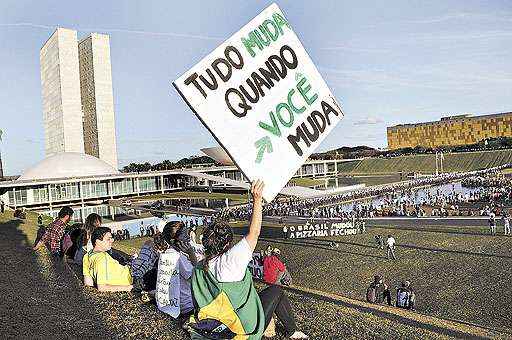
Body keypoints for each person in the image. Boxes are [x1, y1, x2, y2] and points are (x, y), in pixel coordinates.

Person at [189, 180, 308, 339]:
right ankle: (292, 331)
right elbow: (254, 231)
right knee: (275, 290)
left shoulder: (199, 267)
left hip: (215, 323)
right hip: (241, 330)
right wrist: (257, 199)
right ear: (227, 243)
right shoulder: (231, 260)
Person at [154, 221, 203, 319]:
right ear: (172, 241)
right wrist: (191, 253)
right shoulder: (178, 257)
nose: (188, 238)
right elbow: (198, 279)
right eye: (184, 236)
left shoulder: (165, 254)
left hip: (174, 302)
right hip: (187, 306)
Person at [82, 227, 133, 292]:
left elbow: (88, 283)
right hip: (133, 275)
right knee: (148, 244)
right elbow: (102, 288)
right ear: (98, 241)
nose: (112, 240)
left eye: (111, 238)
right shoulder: (102, 257)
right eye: (108, 239)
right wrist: (131, 287)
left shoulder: (87, 256)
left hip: (130, 269)